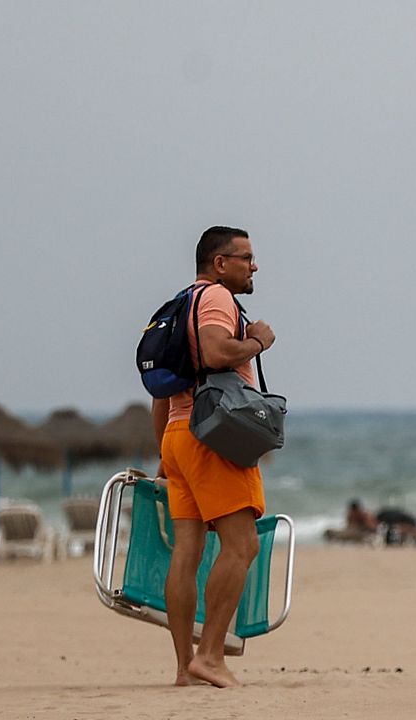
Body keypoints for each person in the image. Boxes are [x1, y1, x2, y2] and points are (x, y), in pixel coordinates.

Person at [150, 225, 276, 688]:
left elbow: (161, 392)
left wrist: (165, 453)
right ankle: (210, 656)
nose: (254, 265)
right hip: (212, 437)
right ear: (220, 263)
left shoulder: (184, 303)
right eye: (245, 257)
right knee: (243, 545)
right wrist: (260, 341)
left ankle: (185, 667)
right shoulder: (218, 299)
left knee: (187, 551)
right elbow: (217, 352)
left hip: (179, 434)